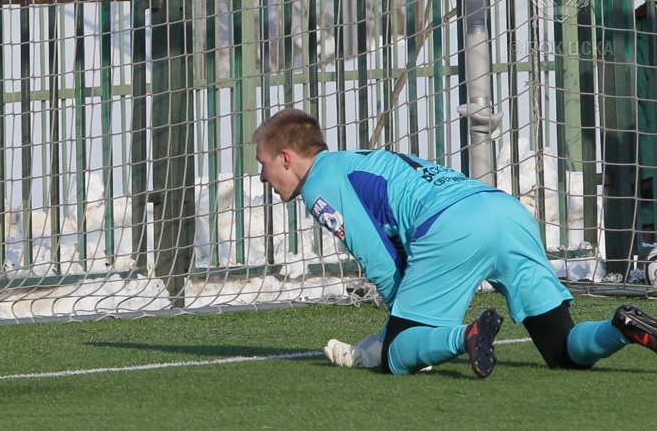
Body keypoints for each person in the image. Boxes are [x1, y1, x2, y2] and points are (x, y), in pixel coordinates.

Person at [254, 108, 657, 378]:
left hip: (455, 224)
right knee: (562, 350)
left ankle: (466, 335)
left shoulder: (319, 184)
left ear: (286, 158)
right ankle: (620, 328)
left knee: (395, 355)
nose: (262, 178)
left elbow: (378, 258)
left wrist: (401, 328)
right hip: (507, 211)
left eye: (263, 165)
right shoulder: (357, 160)